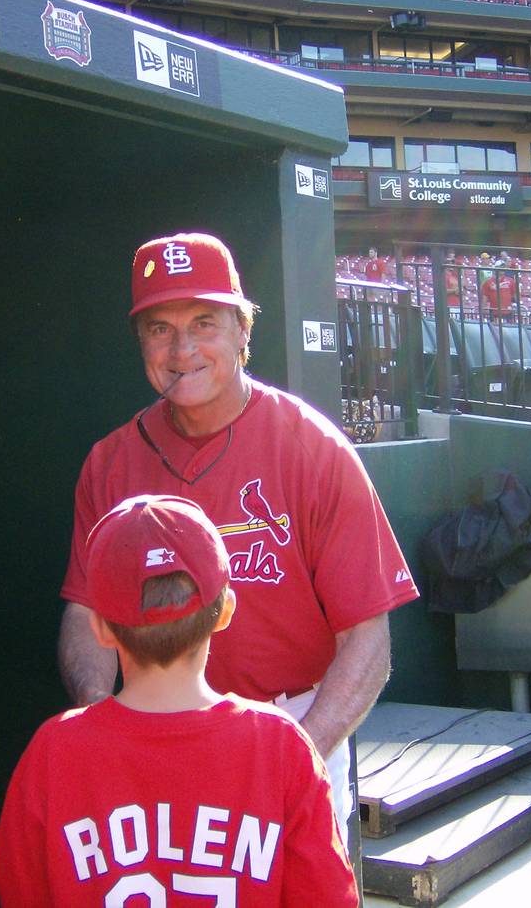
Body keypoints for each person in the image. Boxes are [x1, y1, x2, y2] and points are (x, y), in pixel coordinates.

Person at [57, 232, 418, 833]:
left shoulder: (314, 449)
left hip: (295, 718)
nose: (181, 350)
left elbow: (367, 640)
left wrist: (296, 756)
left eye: (204, 323)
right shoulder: (110, 463)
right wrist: (102, 721)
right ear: (140, 340)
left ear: (243, 330)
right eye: (159, 328)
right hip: (155, 729)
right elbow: (85, 612)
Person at [0, 495, 358, 907]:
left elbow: (19, 890)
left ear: (100, 628)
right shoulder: (281, 745)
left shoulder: (53, 752)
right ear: (225, 613)